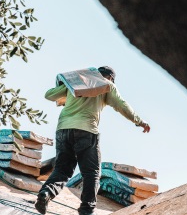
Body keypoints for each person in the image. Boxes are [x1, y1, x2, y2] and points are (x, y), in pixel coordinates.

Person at [35, 66, 150, 215]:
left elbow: (49, 95)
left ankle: (45, 194)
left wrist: (65, 86)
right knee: (92, 173)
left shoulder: (77, 83)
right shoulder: (107, 86)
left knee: (62, 170)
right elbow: (122, 106)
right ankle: (86, 210)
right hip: (86, 131)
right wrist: (140, 121)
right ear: (110, 78)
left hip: (63, 130)